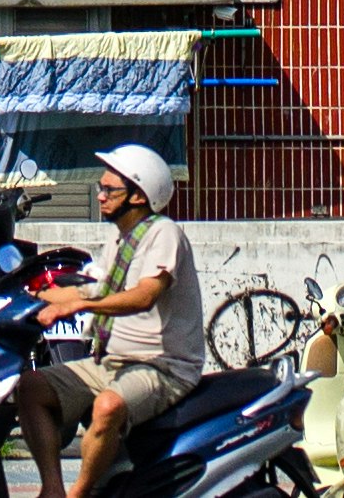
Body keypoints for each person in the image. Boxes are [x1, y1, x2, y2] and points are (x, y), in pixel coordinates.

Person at [17, 145, 206, 498]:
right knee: (30, 387)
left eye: (109, 190)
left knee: (108, 405)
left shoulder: (165, 234)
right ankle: (53, 490)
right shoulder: (121, 239)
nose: (100, 196)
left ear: (138, 195)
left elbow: (144, 295)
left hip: (162, 368)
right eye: (100, 189)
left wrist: (71, 307)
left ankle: (79, 494)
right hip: (112, 363)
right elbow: (93, 291)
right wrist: (25, 298)